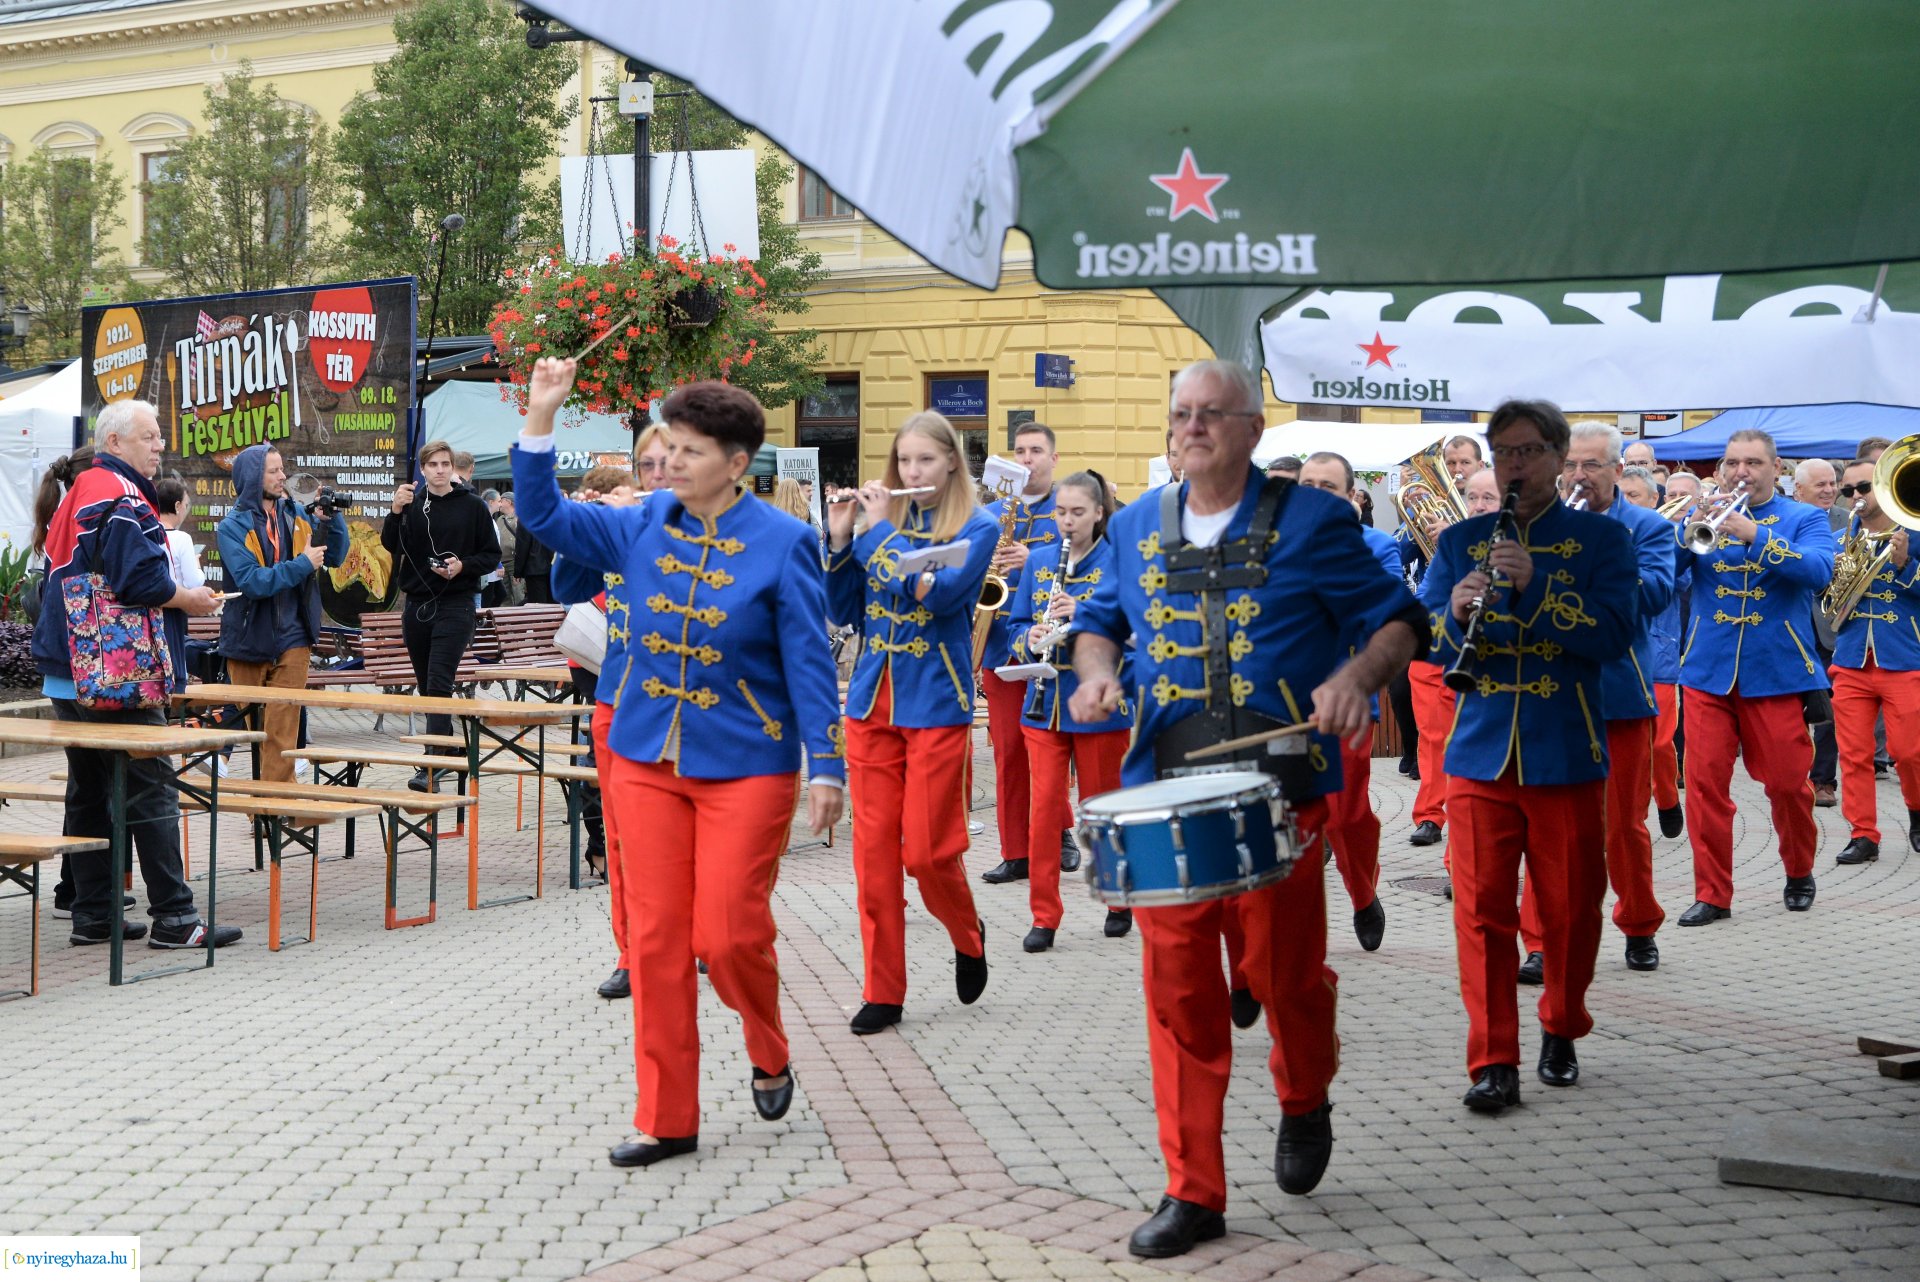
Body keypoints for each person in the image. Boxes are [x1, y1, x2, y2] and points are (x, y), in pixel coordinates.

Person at [1068, 360, 1425, 1257]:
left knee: (1283, 976)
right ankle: (1193, 1190)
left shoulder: (1315, 520)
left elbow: (1399, 618)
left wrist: (1355, 677)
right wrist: (1098, 673)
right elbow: (1098, 621)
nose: (1191, 428)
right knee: (1180, 991)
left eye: (1211, 414)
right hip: (1166, 794)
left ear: (1252, 427)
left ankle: (1305, 1095)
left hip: (1283, 791)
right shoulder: (1137, 523)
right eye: (1180, 413)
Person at [513, 358, 843, 1169]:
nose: (674, 460)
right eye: (672, 445)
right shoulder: (641, 522)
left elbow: (808, 658)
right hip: (645, 757)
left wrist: (827, 763)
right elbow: (545, 517)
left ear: (737, 464)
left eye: (692, 450)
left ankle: (767, 1043)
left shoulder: (788, 541)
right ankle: (668, 1116)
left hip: (748, 761)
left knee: (729, 935)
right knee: (657, 940)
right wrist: (540, 416)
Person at [1421, 400, 1636, 1115]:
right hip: (1480, 748)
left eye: (1528, 451)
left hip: (1565, 746)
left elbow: (1612, 635)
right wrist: (1453, 613)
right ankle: (1493, 1060)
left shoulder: (1602, 540)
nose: (1515, 465)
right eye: (1503, 452)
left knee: (1571, 910)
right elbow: (1427, 637)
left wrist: (1535, 586)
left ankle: (1562, 1024)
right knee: (1481, 914)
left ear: (1556, 453)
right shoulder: (1461, 540)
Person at [31, 400, 238, 949]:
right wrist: (189, 599)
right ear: (115, 442)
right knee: (152, 787)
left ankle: (94, 914)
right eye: (149, 437)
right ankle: (176, 918)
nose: (159, 446)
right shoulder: (120, 495)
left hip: (66, 671)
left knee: (90, 789)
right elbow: (140, 581)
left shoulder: (80, 489)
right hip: (115, 674)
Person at [825, 412, 998, 1036]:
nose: (913, 473)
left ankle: (967, 932)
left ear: (953, 461)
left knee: (927, 852)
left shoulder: (980, 524)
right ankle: (883, 988)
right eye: (904, 462)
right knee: (873, 856)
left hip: (936, 698)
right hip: (873, 701)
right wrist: (842, 542)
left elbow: (943, 596)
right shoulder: (882, 524)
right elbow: (844, 609)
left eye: (925, 461)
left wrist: (874, 539)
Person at [1517, 423, 1675, 979]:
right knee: (1547, 828)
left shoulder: (1649, 528)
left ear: (1617, 471)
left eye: (1590, 465)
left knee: (1623, 826)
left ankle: (1638, 923)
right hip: (1548, 694)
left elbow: (1653, 595)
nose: (1579, 476)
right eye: (1571, 466)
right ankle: (1539, 940)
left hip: (1618, 695)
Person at [1675, 429, 1836, 924]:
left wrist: (1755, 534)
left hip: (1777, 672)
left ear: (1776, 469)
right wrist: (1689, 530)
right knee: (1703, 787)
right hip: (1707, 670)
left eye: (1752, 463)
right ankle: (1713, 894)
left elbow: (1820, 571)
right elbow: (1665, 572)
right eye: (1731, 462)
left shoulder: (1804, 517)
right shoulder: (1702, 514)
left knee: (1789, 785)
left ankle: (1798, 871)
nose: (1740, 471)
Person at [1005, 470, 1132, 949]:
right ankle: (1044, 915)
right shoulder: (1038, 562)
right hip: (1043, 704)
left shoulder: (1119, 563)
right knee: (1043, 812)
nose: (1067, 521)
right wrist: (1027, 639)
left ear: (1099, 513)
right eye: (1060, 512)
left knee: (1103, 807)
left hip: (1099, 704)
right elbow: (1015, 625)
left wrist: (1085, 614)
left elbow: (1136, 633)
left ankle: (1119, 896)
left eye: (1078, 512)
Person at [555, 461, 655, 1003]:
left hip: (681, 703)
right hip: (616, 696)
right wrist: (581, 529)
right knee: (620, 835)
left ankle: (702, 933)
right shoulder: (609, 542)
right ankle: (632, 952)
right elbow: (565, 585)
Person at [1296, 450, 1395, 950]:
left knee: (1345, 815)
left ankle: (1362, 893)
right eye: (1306, 485)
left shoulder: (1376, 546)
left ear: (1352, 497)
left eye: (1327, 487)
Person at [215, 445, 348, 782]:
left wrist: (333, 520)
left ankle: (274, 812)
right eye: (272, 471)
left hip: (294, 637)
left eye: (281, 469)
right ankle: (269, 814)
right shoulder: (231, 527)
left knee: (282, 733)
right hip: (248, 640)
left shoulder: (296, 514)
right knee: (260, 733)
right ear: (251, 477)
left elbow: (334, 557)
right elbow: (252, 582)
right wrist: (302, 564)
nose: (282, 477)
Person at [382, 439, 501, 791]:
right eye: (432, 464)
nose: (439, 470)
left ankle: (431, 766)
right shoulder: (414, 504)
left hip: (456, 604)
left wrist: (462, 566)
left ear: (453, 468)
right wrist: (395, 511)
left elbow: (491, 555)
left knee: (438, 682)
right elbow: (393, 546)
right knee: (426, 685)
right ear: (422, 469)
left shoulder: (474, 506)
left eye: (445, 464)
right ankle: (449, 748)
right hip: (417, 604)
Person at [977, 422, 1062, 887]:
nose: (1027, 459)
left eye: (1036, 451)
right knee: (1008, 752)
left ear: (1053, 459)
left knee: (1049, 750)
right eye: (1020, 451)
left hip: (1050, 644)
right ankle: (1015, 852)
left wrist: (1035, 561)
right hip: (998, 645)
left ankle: (1058, 834)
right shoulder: (991, 514)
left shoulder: (1068, 510)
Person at [1828, 458, 1920, 865]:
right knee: (1853, 753)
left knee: (1909, 751)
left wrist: (1905, 566)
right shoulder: (1838, 539)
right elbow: (1824, 598)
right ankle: (1863, 833)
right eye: (1849, 491)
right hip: (1851, 658)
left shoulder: (1914, 536)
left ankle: (1917, 815)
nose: (1857, 497)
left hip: (1902, 656)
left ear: (1883, 487)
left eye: (1864, 487)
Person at [1793, 459, 1843, 806]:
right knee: (1791, 708)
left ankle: (1824, 781)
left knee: (1827, 707)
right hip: (1791, 626)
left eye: (1832, 483)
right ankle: (1793, 777)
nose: (1829, 490)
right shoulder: (1782, 519)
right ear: (1798, 490)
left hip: (1829, 628)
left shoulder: (1846, 520)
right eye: (1820, 485)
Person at [480, 488, 515, 607]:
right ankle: (484, 620)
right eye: (499, 501)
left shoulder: (492, 519)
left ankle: (488, 618)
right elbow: (488, 544)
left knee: (500, 594)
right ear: (491, 502)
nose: (500, 504)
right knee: (489, 596)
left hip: (492, 565)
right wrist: (498, 564)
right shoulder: (485, 519)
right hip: (490, 566)